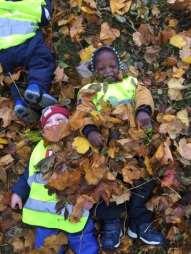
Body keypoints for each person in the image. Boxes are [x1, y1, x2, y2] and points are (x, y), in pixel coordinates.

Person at [78, 46, 166, 250]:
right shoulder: (90, 90)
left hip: (133, 144)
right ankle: (111, 222)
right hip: (105, 147)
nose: (108, 70)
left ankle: (140, 219)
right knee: (104, 181)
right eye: (101, 68)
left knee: (144, 178)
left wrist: (143, 111)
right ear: (93, 71)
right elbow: (82, 113)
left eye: (112, 66)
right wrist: (90, 131)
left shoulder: (130, 83)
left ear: (119, 66)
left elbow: (143, 95)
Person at [11, 105, 99, 254]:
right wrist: (18, 192)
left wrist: (91, 197)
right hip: (43, 215)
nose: (54, 124)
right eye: (49, 122)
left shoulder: (78, 142)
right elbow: (29, 173)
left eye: (59, 119)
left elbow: (92, 174)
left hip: (73, 209)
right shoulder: (39, 149)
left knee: (83, 240)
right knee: (46, 246)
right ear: (43, 130)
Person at [0, 0, 57, 123]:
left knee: (13, 78)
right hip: (27, 43)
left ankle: (20, 102)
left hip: (3, 51)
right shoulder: (33, 2)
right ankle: (36, 87)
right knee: (41, 63)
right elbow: (45, 17)